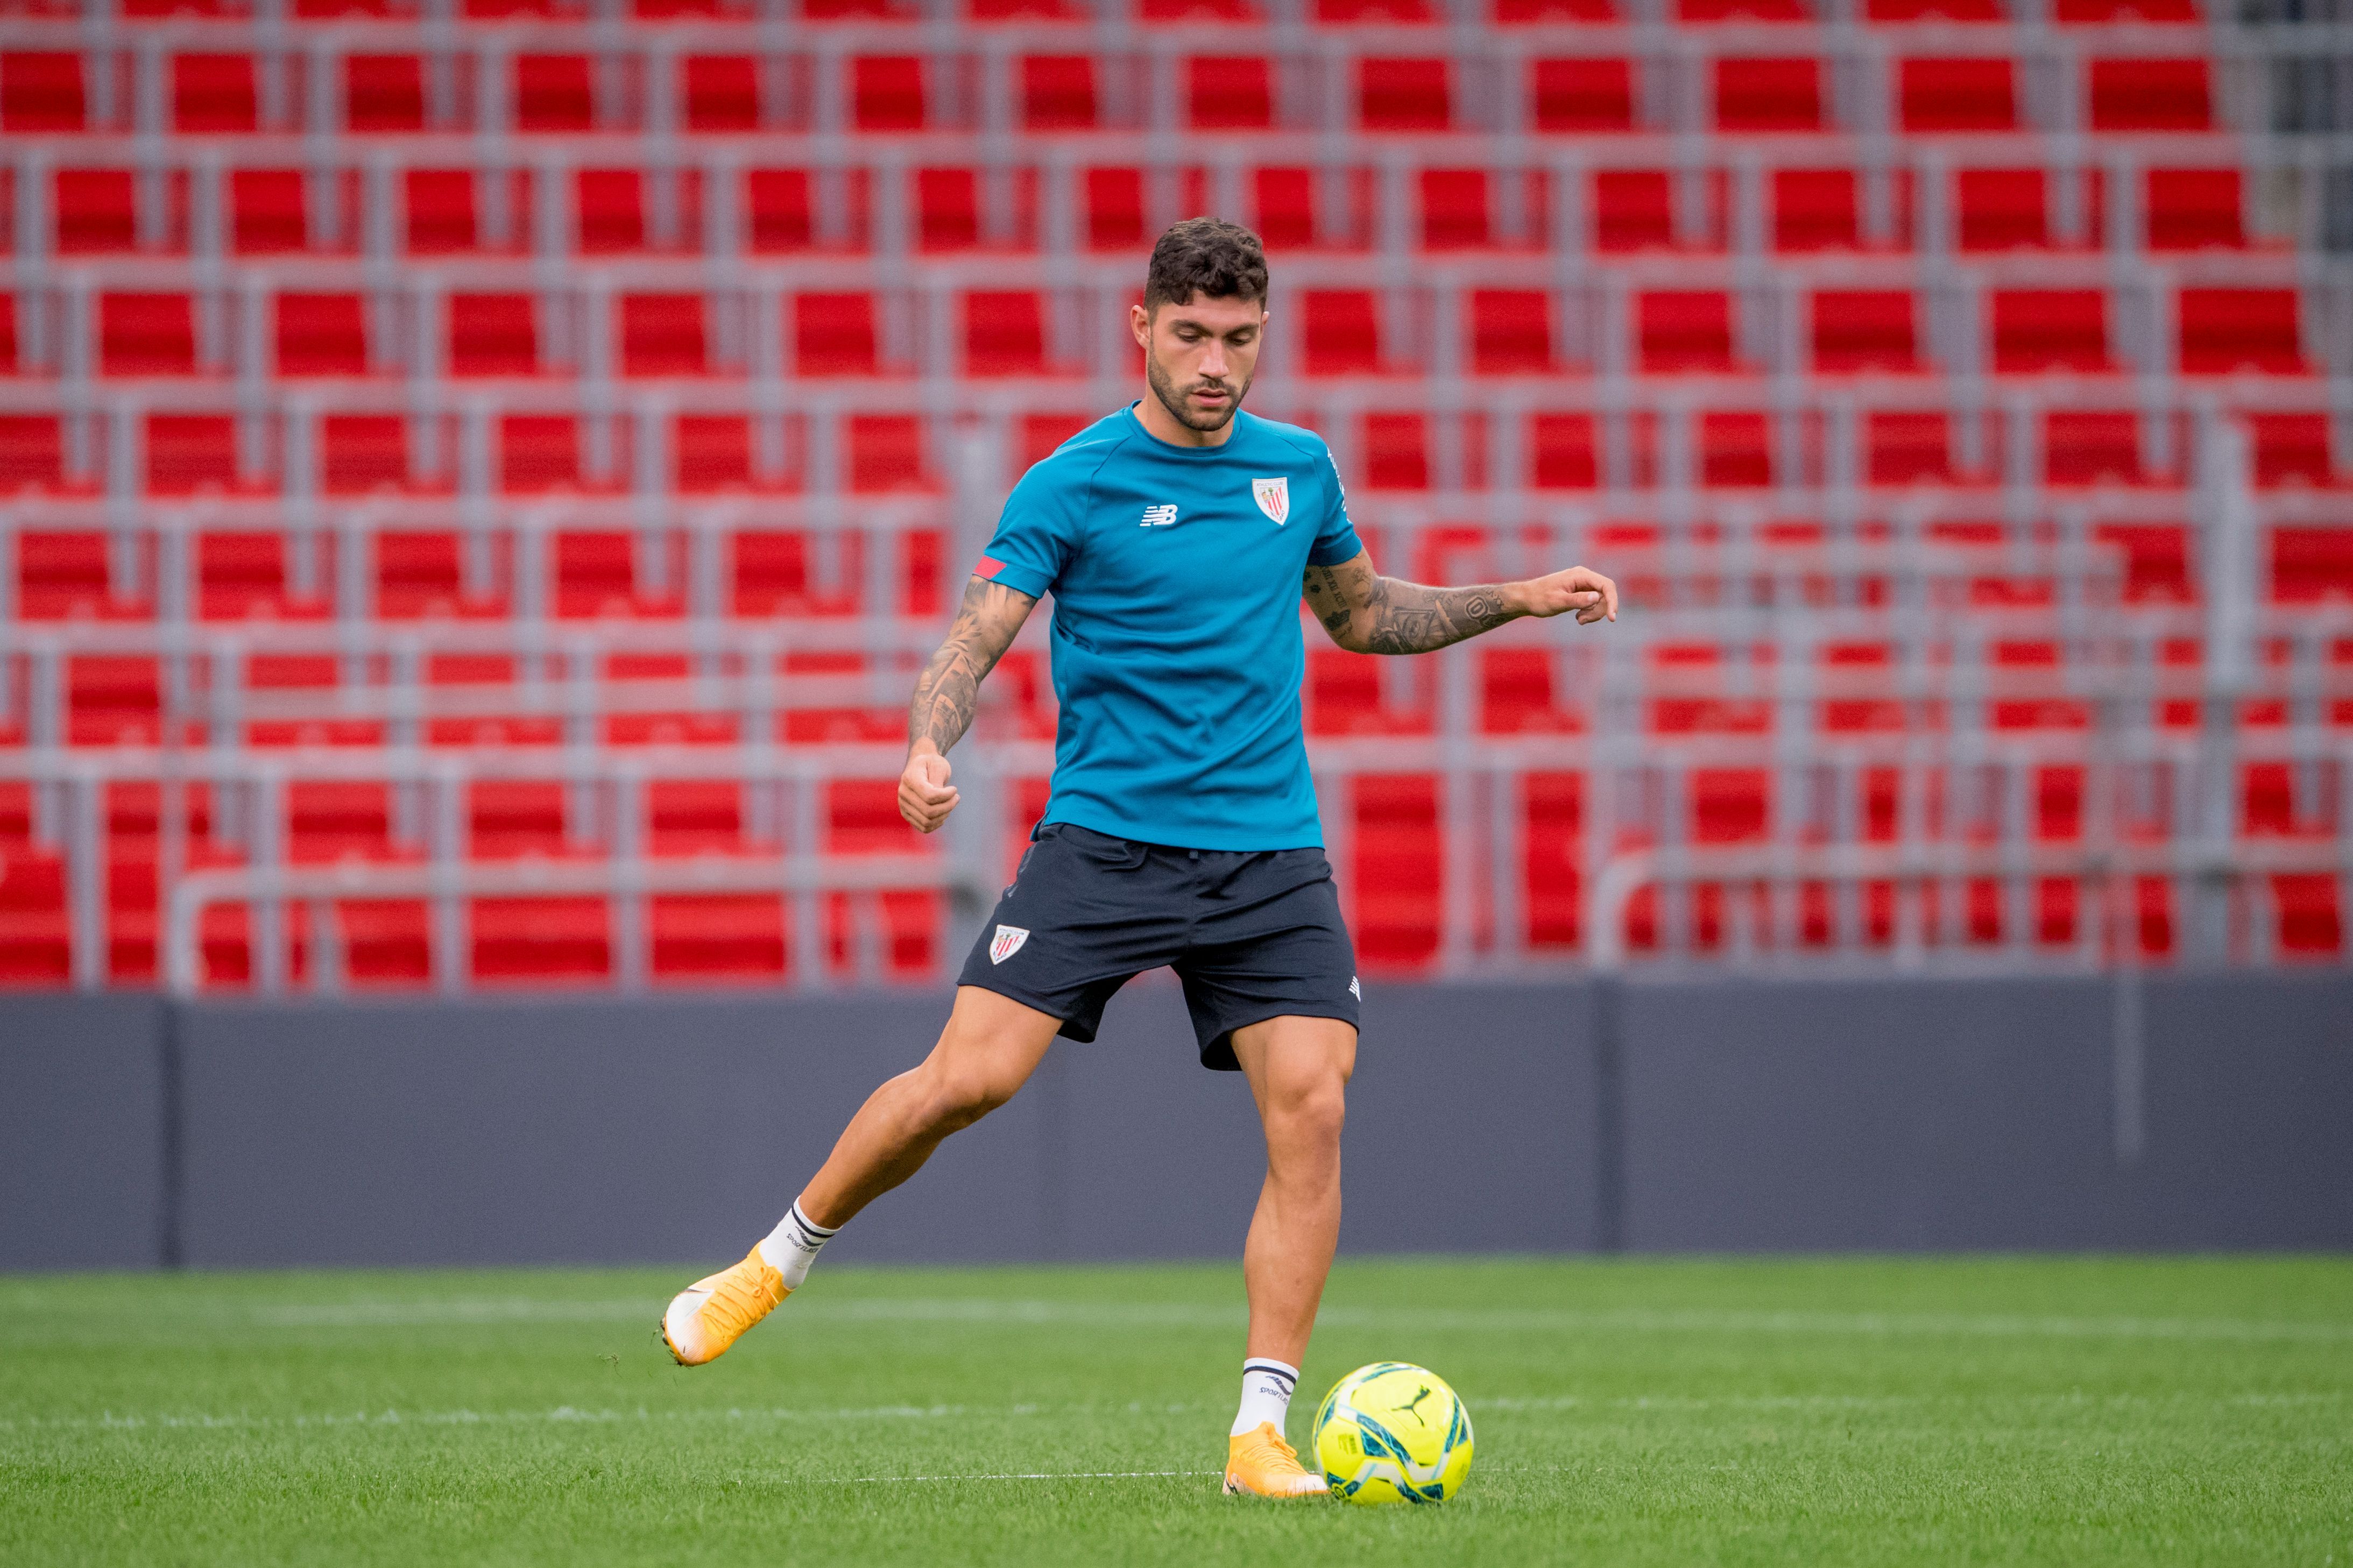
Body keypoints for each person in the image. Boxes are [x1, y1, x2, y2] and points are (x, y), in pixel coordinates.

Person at [660, 217, 1618, 1498]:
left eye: (1238, 339)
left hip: (1270, 853)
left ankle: (1257, 1437)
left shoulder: (1301, 470)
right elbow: (976, 633)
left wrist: (1518, 596)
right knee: (967, 1084)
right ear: (1144, 329)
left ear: (1262, 334)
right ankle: (774, 1260)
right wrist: (928, 747)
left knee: (1317, 1107)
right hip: (1106, 845)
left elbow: (1364, 614)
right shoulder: (1075, 481)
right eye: (1191, 337)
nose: (1216, 363)